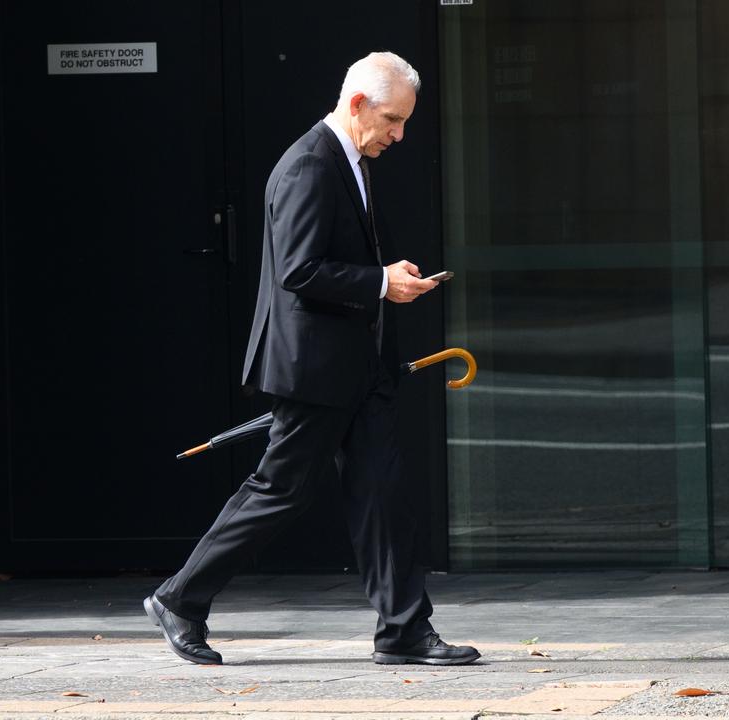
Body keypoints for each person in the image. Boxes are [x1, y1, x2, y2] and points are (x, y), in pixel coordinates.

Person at [144, 51, 479, 667]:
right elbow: (299, 271)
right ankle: (180, 600)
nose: (400, 135)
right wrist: (380, 282)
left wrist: (383, 280)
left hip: (359, 364)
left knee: (383, 493)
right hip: (315, 368)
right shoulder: (308, 165)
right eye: (393, 120)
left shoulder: (347, 158)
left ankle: (404, 629)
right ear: (357, 105)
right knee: (281, 489)